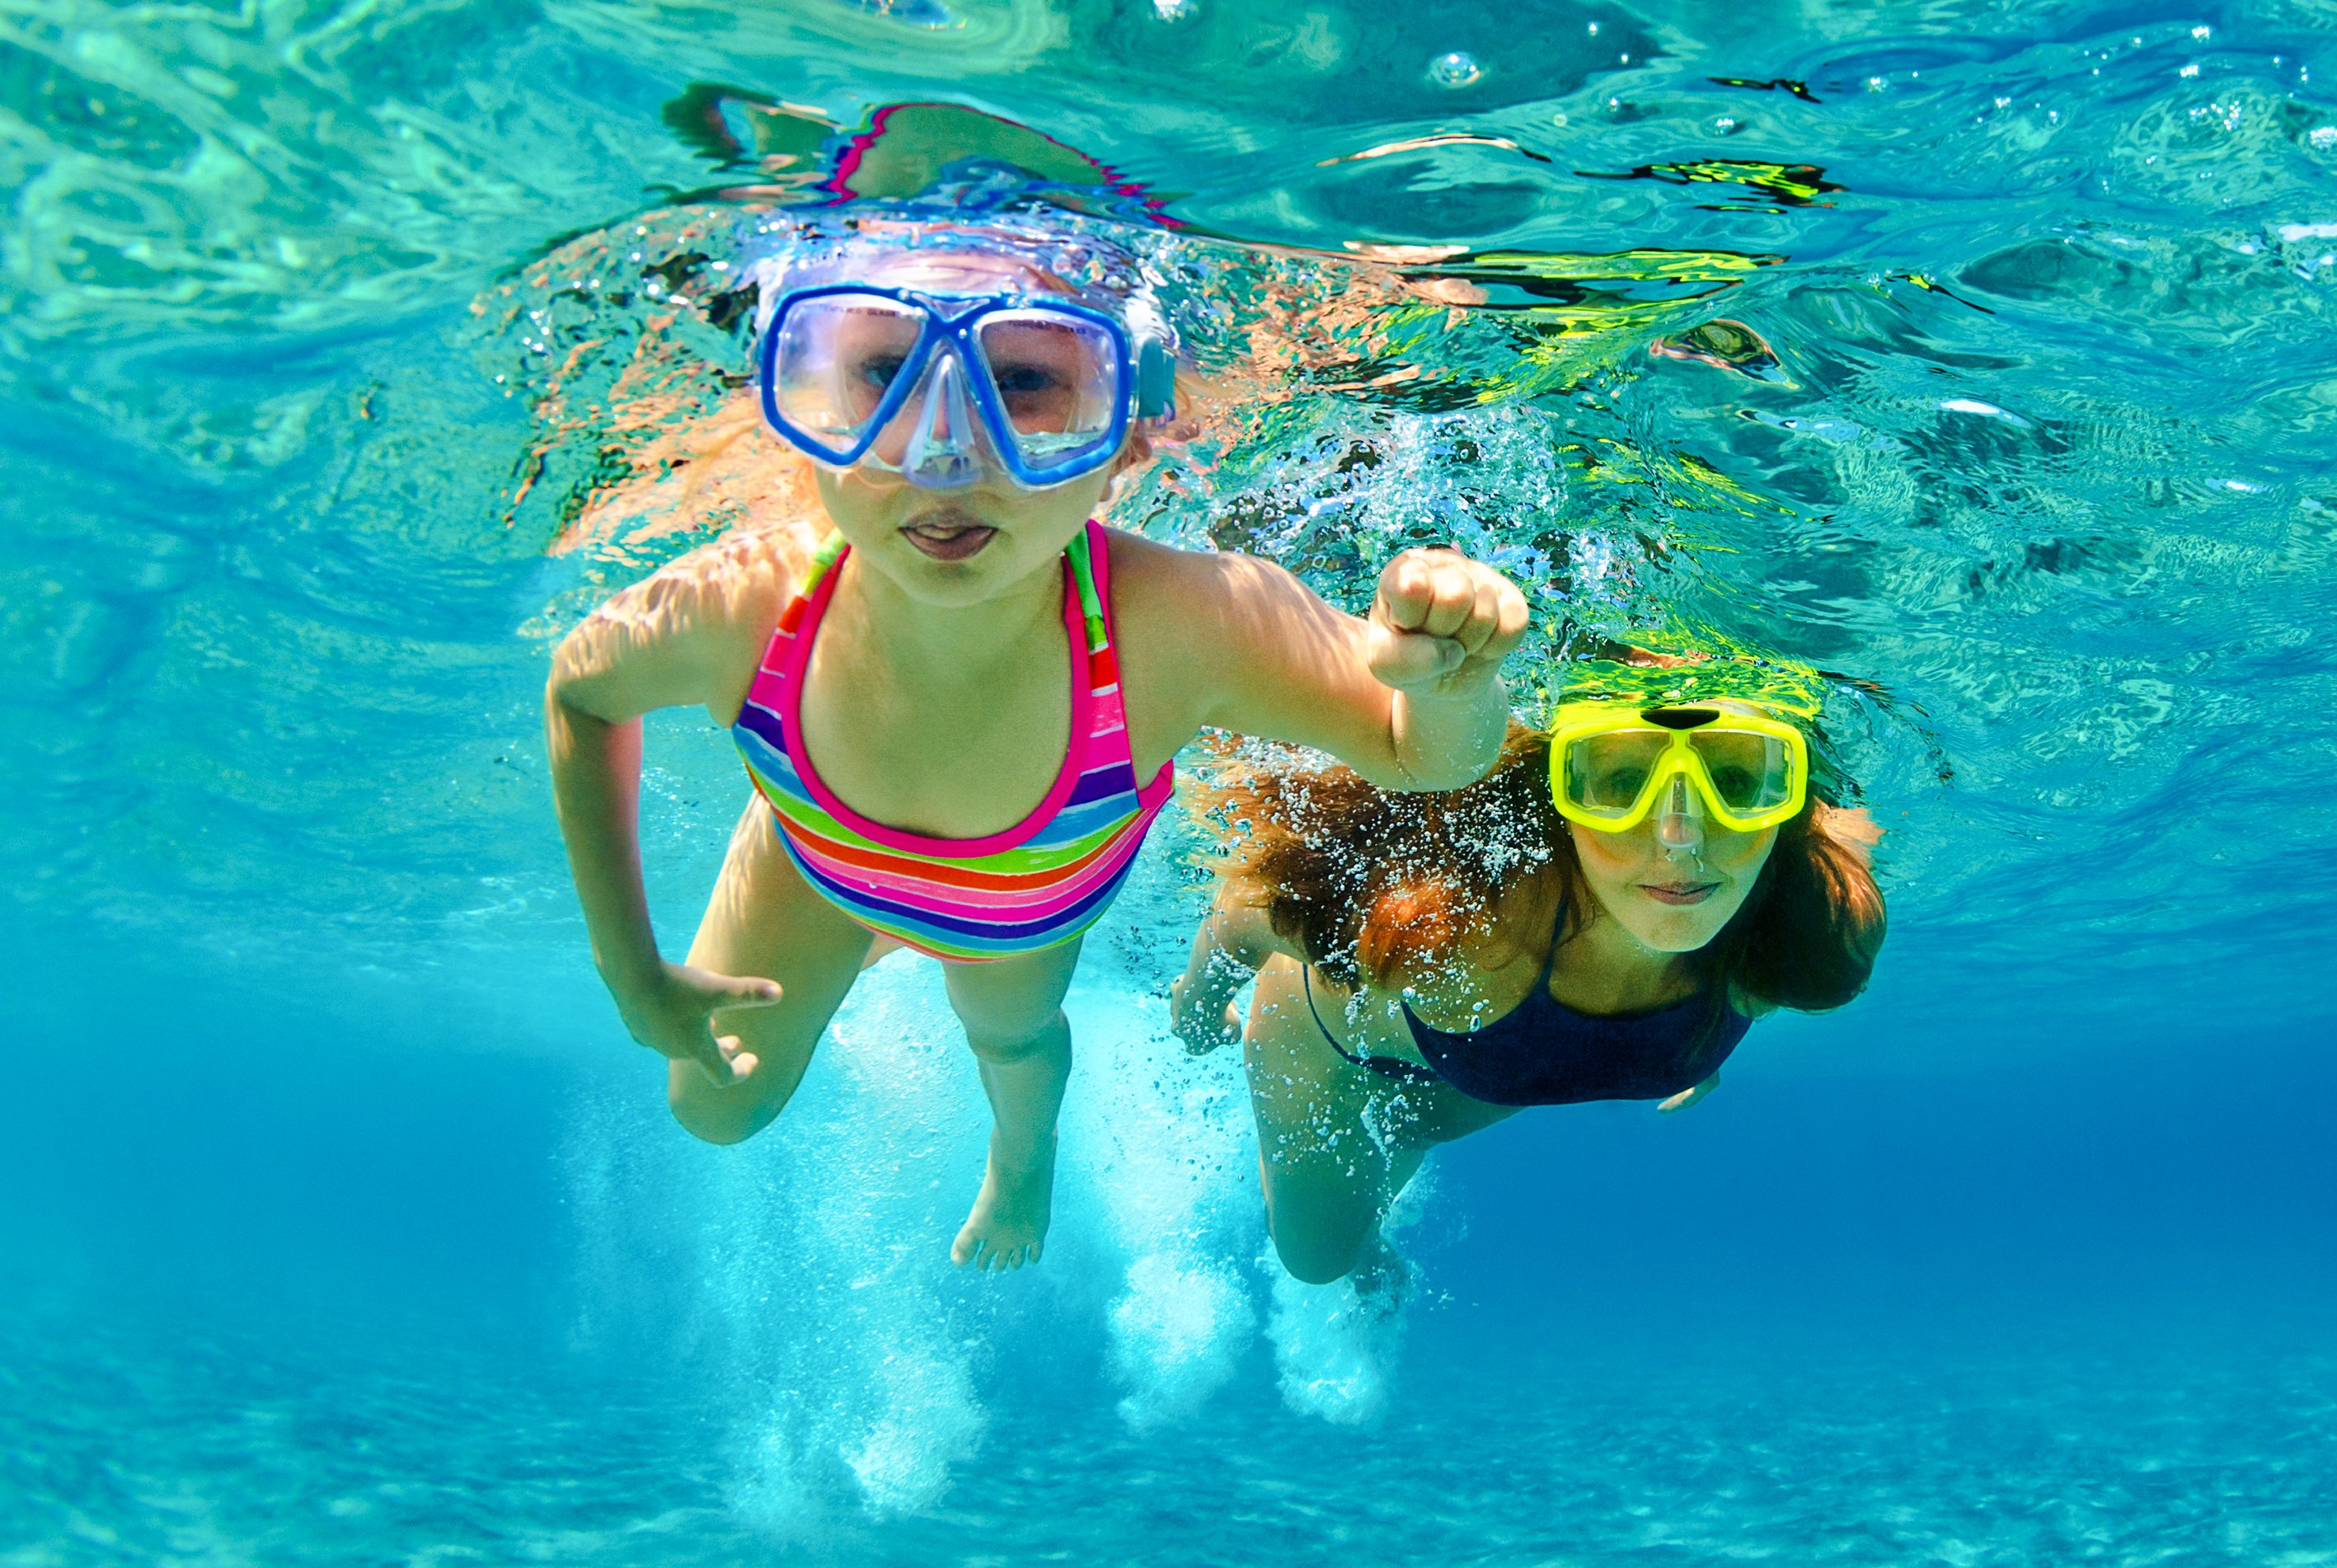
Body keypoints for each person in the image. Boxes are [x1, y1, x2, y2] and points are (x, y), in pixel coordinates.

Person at [545, 223, 1529, 1271]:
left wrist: (1456, 682)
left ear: (1128, 437)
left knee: (1008, 1040)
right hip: (813, 855)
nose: (945, 448)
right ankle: (859, 913)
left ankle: (1024, 1164)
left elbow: (1423, 754)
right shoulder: (746, 606)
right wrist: (631, 974)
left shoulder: (1175, 626)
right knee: (712, 1105)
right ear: (804, 400)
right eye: (883, 370)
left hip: (1011, 912)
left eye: (1021, 380)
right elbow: (581, 693)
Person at [1171, 688, 1885, 1285]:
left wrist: (1708, 1038)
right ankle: (1364, 1246)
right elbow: (1246, 914)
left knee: (1407, 1138)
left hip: (1479, 1070)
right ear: (1561, 794)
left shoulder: (1812, 922)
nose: (1680, 839)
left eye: (1733, 782)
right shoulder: (1462, 921)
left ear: (1784, 805)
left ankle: (1394, 1158)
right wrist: (1198, 1008)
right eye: (1621, 782)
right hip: (1333, 1055)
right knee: (1319, 1263)